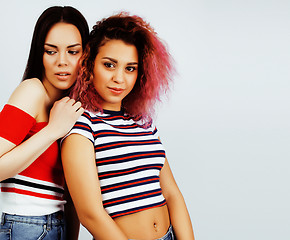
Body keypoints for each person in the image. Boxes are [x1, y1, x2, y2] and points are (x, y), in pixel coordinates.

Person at [61, 12, 195, 240]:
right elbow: (90, 214)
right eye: (109, 65)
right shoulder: (82, 126)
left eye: (130, 68)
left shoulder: (143, 123)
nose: (119, 78)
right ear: (90, 65)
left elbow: (171, 193)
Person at [0, 6, 89, 240]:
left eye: (73, 52)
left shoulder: (72, 106)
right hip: (24, 225)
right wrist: (52, 131)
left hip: (56, 226)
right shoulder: (32, 91)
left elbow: (70, 193)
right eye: (51, 51)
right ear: (39, 54)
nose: (62, 61)